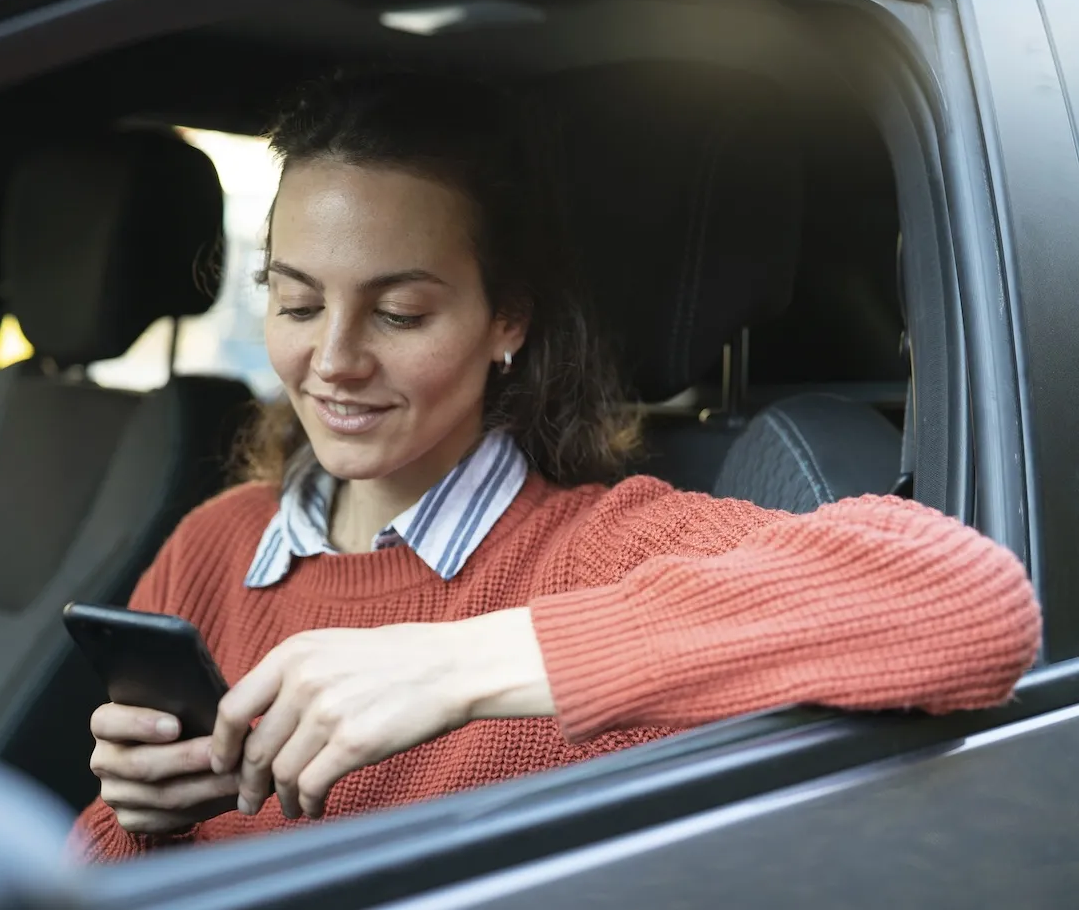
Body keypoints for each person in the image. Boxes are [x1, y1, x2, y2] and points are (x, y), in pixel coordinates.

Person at [72, 70, 1040, 861]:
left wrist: (459, 663)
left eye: (398, 313)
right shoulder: (216, 543)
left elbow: (973, 602)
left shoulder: (598, 548)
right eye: (294, 303)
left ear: (508, 320)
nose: (332, 360)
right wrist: (141, 821)